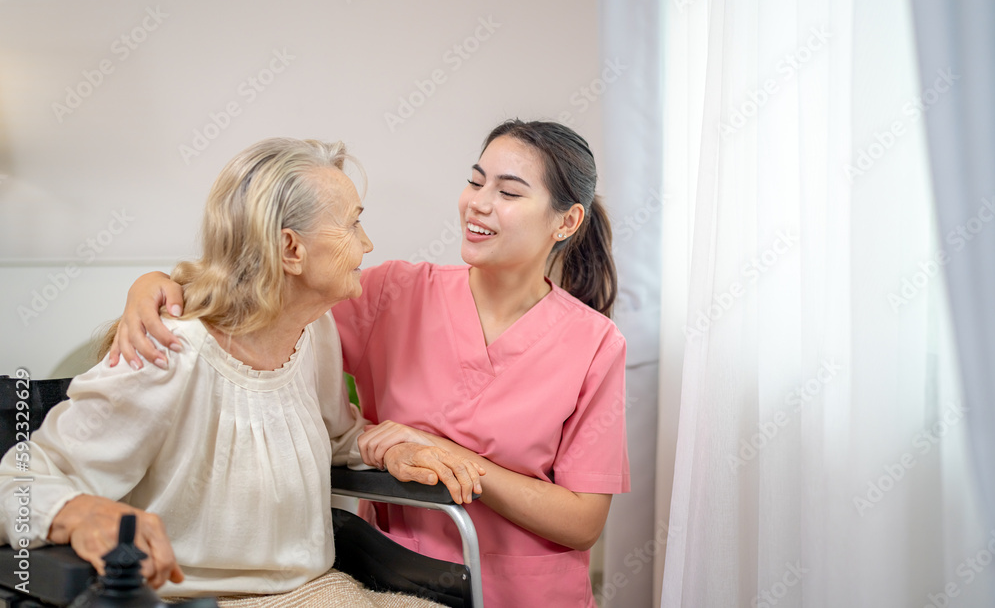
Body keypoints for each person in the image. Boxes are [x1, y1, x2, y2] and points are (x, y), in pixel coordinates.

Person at [110, 120, 630, 607]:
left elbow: (583, 520)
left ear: (567, 221)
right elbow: (266, 297)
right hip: (396, 576)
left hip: (529, 592)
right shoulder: (394, 294)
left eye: (509, 192)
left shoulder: (594, 344)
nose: (478, 204)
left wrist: (450, 454)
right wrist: (160, 286)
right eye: (475, 182)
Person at [0, 138, 482, 605]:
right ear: (291, 249)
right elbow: (19, 484)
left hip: (317, 588)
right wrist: (79, 512)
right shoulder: (169, 351)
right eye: (353, 225)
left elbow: (332, 435)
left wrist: (385, 449)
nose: (368, 242)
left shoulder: (314, 331)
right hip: (196, 598)